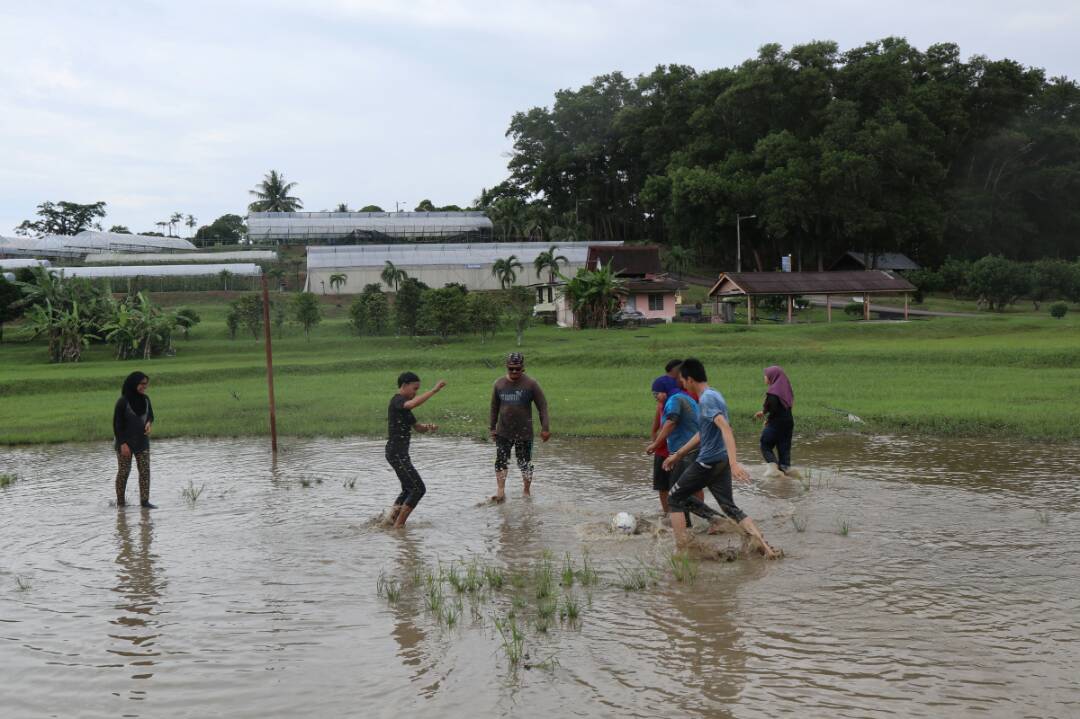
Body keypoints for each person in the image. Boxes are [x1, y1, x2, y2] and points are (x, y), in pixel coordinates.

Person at [662, 358, 779, 559]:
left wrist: (735, 463)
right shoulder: (714, 394)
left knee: (674, 498)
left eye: (682, 379)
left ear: (689, 379)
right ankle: (766, 549)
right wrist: (679, 454)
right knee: (729, 507)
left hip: (708, 461)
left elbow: (726, 428)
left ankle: (682, 551)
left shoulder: (707, 399)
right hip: (720, 461)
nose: (681, 383)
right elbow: (703, 433)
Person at [385, 372, 446, 528]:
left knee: (408, 488)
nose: (415, 393)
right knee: (418, 488)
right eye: (414, 388)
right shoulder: (398, 400)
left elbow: (418, 428)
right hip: (397, 453)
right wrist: (434, 391)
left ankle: (389, 521)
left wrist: (428, 427)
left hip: (397, 453)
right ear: (404, 386)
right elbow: (412, 404)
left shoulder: (405, 408)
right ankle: (398, 527)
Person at [489, 352, 550, 503]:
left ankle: (526, 491)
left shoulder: (531, 384)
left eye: (517, 369)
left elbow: (542, 406)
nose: (514, 372)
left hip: (525, 432)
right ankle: (501, 490)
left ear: (523, 368)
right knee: (501, 460)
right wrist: (492, 427)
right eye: (511, 369)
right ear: (507, 367)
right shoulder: (499, 384)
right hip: (503, 431)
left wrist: (545, 428)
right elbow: (494, 407)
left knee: (525, 462)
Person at [113, 371, 155, 508]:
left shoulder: (146, 400)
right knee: (124, 472)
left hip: (142, 442)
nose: (145, 387)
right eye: (142, 384)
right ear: (134, 384)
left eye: (146, 384)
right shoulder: (122, 402)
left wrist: (149, 423)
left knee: (145, 471)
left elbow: (150, 416)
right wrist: (123, 444)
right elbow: (117, 425)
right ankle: (120, 503)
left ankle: (144, 502)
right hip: (125, 443)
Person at [647, 371, 680, 513]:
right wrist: (654, 439)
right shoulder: (661, 406)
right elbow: (655, 427)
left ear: (666, 392)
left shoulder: (677, 404)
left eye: (657, 394)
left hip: (677, 451)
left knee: (680, 485)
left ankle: (681, 513)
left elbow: (671, 425)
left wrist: (656, 443)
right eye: (653, 394)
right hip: (661, 451)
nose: (655, 397)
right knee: (662, 486)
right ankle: (667, 513)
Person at [754, 365, 796, 478]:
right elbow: (780, 405)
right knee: (784, 448)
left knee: (765, 444)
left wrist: (768, 420)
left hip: (777, 423)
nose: (764, 377)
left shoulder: (773, 392)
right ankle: (785, 469)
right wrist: (763, 412)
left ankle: (773, 470)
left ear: (772, 376)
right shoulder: (785, 389)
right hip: (788, 422)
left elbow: (774, 408)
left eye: (766, 375)